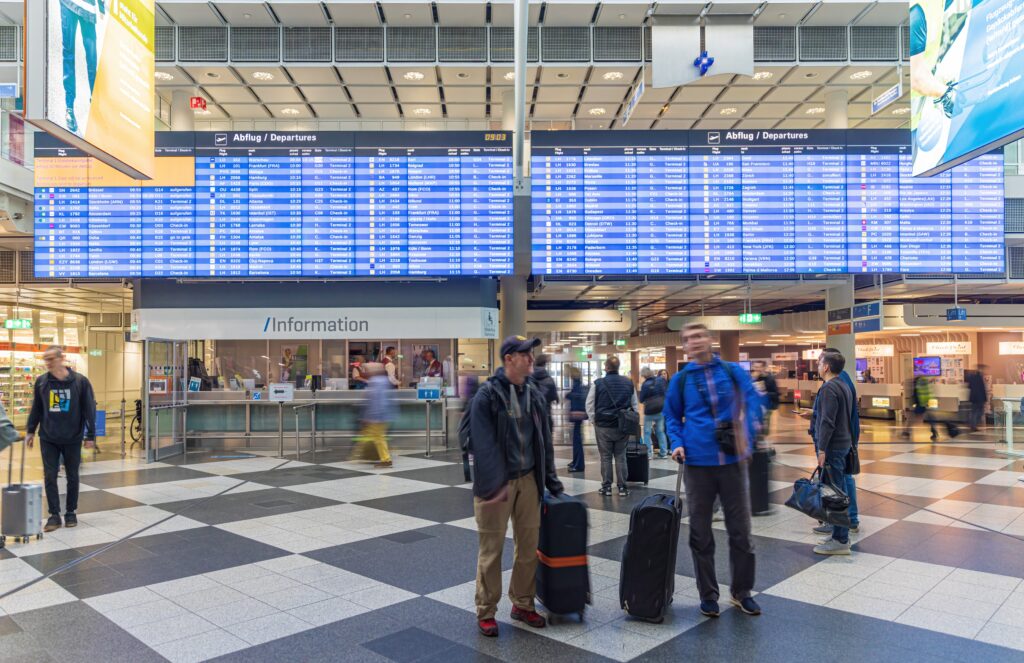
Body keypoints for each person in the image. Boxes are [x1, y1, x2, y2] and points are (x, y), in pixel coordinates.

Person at [664, 323, 763, 618]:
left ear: (710, 340)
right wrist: (677, 442)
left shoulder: (732, 371)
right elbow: (672, 415)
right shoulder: (681, 380)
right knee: (700, 533)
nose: (695, 341)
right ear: (685, 346)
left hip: (732, 462)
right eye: (689, 338)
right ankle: (708, 594)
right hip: (697, 463)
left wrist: (748, 431)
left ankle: (741, 591)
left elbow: (755, 402)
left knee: (741, 531)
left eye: (699, 336)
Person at [468, 336, 563, 637]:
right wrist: (495, 485)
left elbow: (543, 438)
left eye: (531, 354)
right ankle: (486, 610)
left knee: (528, 548)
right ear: (509, 358)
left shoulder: (533, 393)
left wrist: (550, 478)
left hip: (528, 480)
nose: (531, 358)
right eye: (525, 354)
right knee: (491, 550)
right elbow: (482, 445)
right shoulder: (487, 395)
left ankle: (522, 603)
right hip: (496, 485)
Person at [25, 346, 97, 533]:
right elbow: (37, 408)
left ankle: (71, 512)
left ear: (61, 358)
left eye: (51, 358)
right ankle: (54, 515)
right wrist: (30, 430)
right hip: (49, 437)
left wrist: (90, 435)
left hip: (73, 437)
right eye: (45, 359)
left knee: (72, 475)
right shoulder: (42, 382)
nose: (48, 362)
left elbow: (89, 410)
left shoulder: (80, 382)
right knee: (49, 476)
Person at [804, 348, 861, 539]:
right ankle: (840, 530)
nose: (818, 366)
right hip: (843, 442)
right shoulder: (842, 384)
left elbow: (828, 421)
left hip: (833, 446)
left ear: (826, 366)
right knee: (838, 489)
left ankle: (840, 538)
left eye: (819, 363)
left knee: (836, 492)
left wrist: (822, 449)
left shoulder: (829, 387)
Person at [586, 356, 639, 497]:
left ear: (607, 367)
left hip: (603, 426)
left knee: (605, 456)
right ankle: (622, 487)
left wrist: (594, 420)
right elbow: (635, 406)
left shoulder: (598, 383)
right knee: (621, 456)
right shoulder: (629, 383)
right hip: (622, 426)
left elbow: (589, 404)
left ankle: (607, 487)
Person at [60, 0, 105, 134]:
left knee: (92, 58)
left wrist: (101, 6)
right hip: (67, 4)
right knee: (68, 54)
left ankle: (95, 101)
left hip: (88, 7)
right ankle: (69, 107)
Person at [356, 363, 396, 468]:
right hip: (385, 414)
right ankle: (382, 457)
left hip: (377, 416)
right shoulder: (384, 381)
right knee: (378, 437)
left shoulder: (375, 382)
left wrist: (369, 417)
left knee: (378, 437)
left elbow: (375, 401)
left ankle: (385, 459)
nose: (366, 373)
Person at [639, 366, 667, 459]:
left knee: (647, 432)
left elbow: (641, 399)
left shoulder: (645, 384)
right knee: (660, 431)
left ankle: (649, 454)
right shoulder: (661, 380)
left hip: (649, 411)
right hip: (660, 409)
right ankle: (663, 453)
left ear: (644, 375)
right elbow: (665, 393)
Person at [903, 374, 939, 441]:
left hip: (920, 403)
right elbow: (928, 387)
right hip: (925, 402)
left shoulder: (918, 383)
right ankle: (934, 431)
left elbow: (916, 394)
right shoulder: (924, 382)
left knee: (912, 417)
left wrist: (912, 403)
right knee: (929, 417)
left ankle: (906, 432)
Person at [566, 366, 587, 472]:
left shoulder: (577, 385)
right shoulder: (578, 384)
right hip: (578, 415)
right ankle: (576, 461)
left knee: (577, 440)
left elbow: (577, 396)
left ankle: (579, 464)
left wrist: (569, 395)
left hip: (577, 416)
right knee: (576, 439)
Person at [750, 361, 779, 437]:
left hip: (766, 407)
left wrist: (765, 393)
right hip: (753, 407)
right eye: (755, 367)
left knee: (763, 429)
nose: (757, 369)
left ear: (764, 368)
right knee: (753, 428)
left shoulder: (769, 379)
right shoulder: (750, 378)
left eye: (759, 367)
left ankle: (761, 440)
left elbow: (775, 393)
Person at [531, 353, 559, 424]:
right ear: (545, 364)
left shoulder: (528, 377)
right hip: (545, 410)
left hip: (531, 412)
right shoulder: (548, 378)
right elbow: (553, 396)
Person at [967, 365, 988, 432]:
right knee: (978, 412)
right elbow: (982, 389)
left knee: (974, 412)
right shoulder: (980, 377)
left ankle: (972, 425)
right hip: (979, 398)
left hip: (973, 397)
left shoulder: (971, 377)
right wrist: (985, 398)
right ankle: (973, 425)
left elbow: (969, 386)